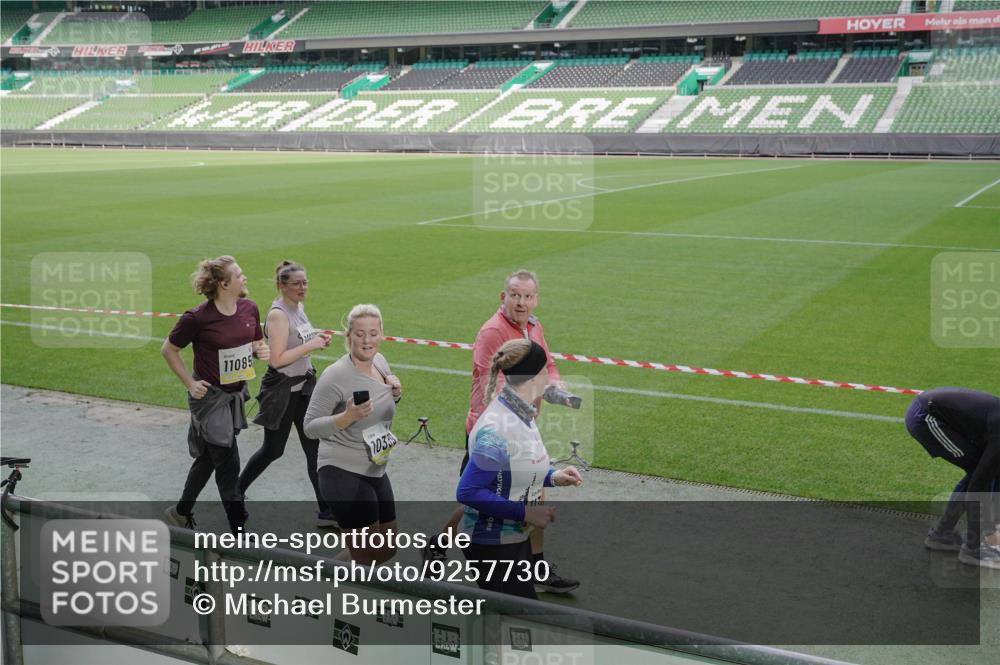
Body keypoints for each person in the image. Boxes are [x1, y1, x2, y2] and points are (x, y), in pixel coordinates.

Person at [426, 269, 581, 594]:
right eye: (515, 294)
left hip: (520, 427)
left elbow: (548, 366)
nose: (522, 302)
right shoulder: (492, 333)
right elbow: (492, 384)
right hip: (493, 436)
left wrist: (557, 390)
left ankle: (534, 565)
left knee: (528, 488)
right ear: (504, 296)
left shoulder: (534, 328)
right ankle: (441, 544)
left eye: (527, 296)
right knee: (484, 498)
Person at [457, 339, 583, 599]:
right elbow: (468, 491)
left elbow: (513, 469)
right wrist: (526, 512)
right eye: (546, 368)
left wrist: (554, 477)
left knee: (514, 623)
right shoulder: (497, 428)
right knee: (518, 623)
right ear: (535, 376)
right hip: (490, 544)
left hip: (512, 537)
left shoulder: (521, 413)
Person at [161, 256, 269, 534]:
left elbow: (255, 342)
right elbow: (169, 350)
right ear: (224, 284)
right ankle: (239, 528)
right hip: (209, 399)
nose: (245, 278)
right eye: (239, 275)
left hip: (235, 396)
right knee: (228, 463)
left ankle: (180, 512)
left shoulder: (249, 308)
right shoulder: (197, 318)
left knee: (210, 458)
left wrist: (260, 350)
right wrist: (189, 383)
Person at [238, 260, 335, 526]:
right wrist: (312, 345)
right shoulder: (278, 314)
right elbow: (277, 360)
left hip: (303, 387)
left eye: (305, 282)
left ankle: (327, 510)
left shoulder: (298, 307)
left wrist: (316, 341)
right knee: (273, 450)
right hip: (282, 391)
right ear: (282, 285)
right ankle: (235, 491)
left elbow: (300, 341)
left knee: (314, 447)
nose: (303, 288)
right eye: (297, 283)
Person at [304, 304, 402, 564]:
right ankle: (335, 598)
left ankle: (317, 579)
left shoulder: (380, 363)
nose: (366, 340)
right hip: (342, 471)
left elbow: (378, 410)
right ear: (348, 336)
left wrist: (395, 394)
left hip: (375, 467)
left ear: (382, 334)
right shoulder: (336, 375)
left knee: (387, 549)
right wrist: (345, 417)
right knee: (365, 556)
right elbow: (310, 426)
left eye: (372, 333)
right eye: (359, 334)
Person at [905, 387, 1000, 569]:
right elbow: (979, 485)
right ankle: (972, 550)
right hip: (926, 417)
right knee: (978, 474)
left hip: (938, 411)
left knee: (985, 471)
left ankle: (941, 534)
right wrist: (990, 531)